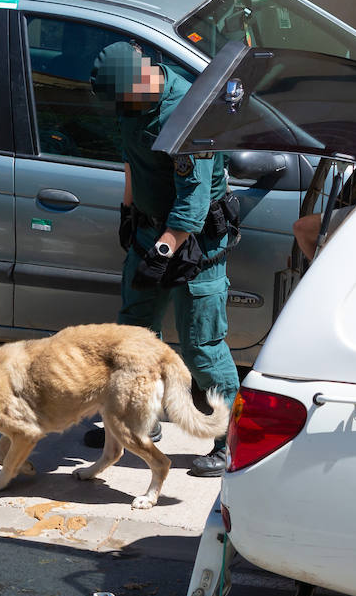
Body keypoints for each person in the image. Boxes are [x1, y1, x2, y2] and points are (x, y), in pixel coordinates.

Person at [83, 41, 239, 477]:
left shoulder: (189, 113)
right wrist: (128, 213)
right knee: (134, 338)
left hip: (194, 245)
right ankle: (138, 424)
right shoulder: (130, 100)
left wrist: (164, 250)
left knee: (202, 348)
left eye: (130, 98)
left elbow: (193, 201)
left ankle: (230, 440)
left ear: (146, 77)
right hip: (150, 231)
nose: (126, 107)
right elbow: (132, 160)